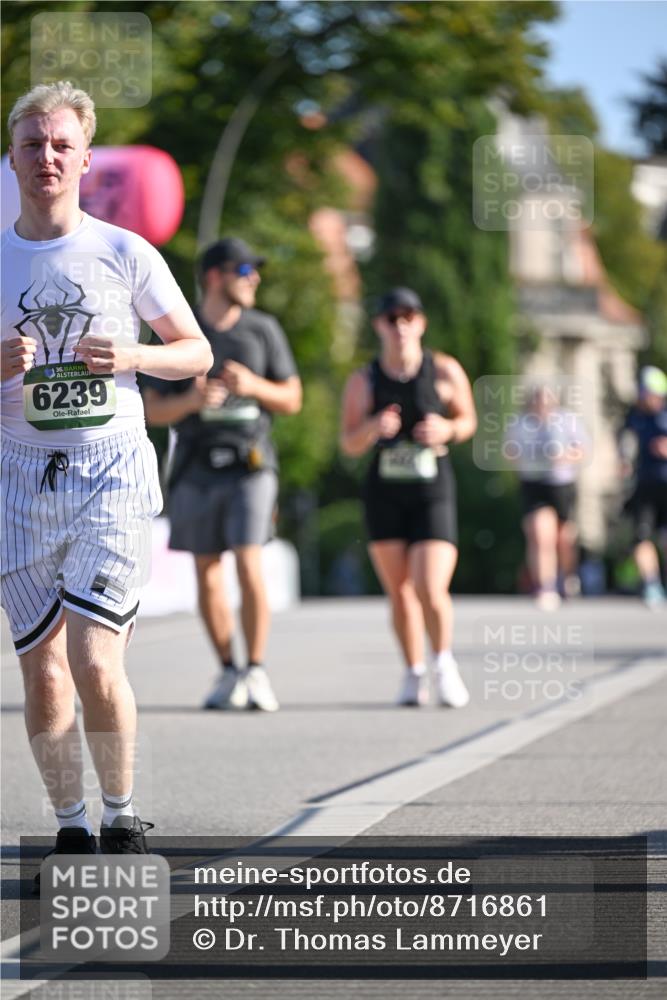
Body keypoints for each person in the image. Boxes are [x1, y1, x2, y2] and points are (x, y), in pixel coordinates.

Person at [1, 82, 212, 875]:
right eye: (32, 144)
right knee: (43, 667)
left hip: (111, 468)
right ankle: (70, 827)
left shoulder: (125, 252)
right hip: (18, 477)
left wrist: (133, 355)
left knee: (93, 659)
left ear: (87, 158)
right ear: (12, 157)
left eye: (62, 145)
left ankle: (121, 817)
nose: (47, 157)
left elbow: (196, 351)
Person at [142, 238, 302, 711]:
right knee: (207, 572)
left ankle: (257, 670)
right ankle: (230, 669)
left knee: (249, 560)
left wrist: (253, 386)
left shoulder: (263, 328)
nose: (255, 278)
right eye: (245, 270)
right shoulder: (179, 329)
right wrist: (192, 401)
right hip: (194, 466)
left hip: (251, 465)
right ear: (215, 276)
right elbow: (151, 409)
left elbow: (292, 398)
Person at [340, 288, 476, 708]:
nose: (400, 326)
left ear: (421, 323)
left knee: (430, 586)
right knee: (399, 591)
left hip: (431, 487)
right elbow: (349, 443)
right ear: (378, 325)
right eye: (391, 318)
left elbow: (468, 420)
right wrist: (372, 428)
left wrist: (446, 430)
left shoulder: (444, 370)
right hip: (384, 489)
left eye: (409, 317)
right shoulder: (364, 380)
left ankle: (443, 664)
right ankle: (413, 671)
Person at [507, 385, 588, 610]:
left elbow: (582, 450)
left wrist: (563, 456)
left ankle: (568, 577)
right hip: (533, 484)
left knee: (563, 539)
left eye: (546, 400)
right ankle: (545, 586)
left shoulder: (567, 421)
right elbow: (509, 452)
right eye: (538, 400)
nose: (542, 405)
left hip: (561, 484)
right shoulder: (520, 424)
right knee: (540, 535)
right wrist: (526, 457)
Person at [619, 366, 667, 608]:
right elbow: (625, 442)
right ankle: (651, 584)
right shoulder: (635, 416)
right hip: (645, 485)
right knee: (641, 536)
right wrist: (624, 461)